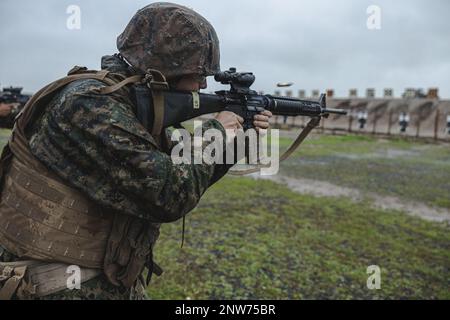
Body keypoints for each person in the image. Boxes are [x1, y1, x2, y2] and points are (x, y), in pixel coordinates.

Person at [0, 2, 271, 300]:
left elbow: (188, 176)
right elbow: (170, 194)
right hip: (53, 286)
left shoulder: (128, 108)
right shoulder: (89, 105)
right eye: (197, 73)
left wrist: (240, 138)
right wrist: (214, 132)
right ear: (166, 69)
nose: (203, 84)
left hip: (98, 281)